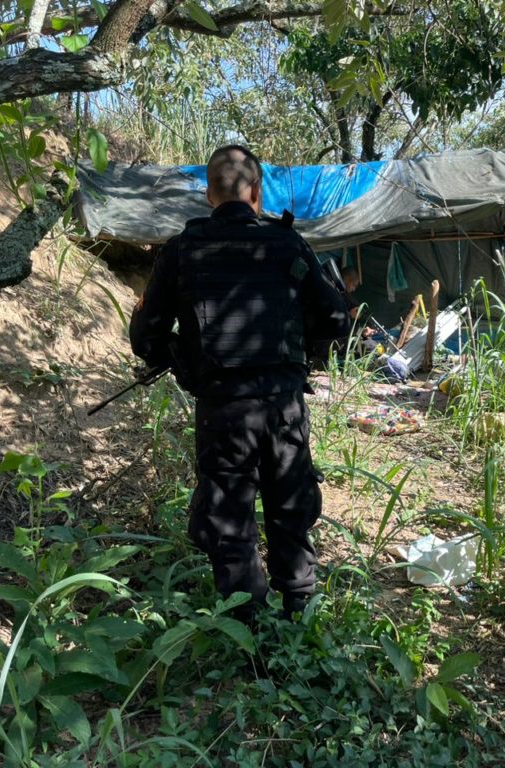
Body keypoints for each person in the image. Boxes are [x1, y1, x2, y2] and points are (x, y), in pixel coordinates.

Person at [129, 145, 350, 620]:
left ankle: (247, 627)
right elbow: (335, 317)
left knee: (228, 519)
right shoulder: (287, 244)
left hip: (222, 409)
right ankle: (301, 610)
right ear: (257, 192)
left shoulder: (182, 250)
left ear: (209, 193)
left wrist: (171, 347)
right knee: (290, 505)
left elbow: (145, 337)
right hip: (283, 407)